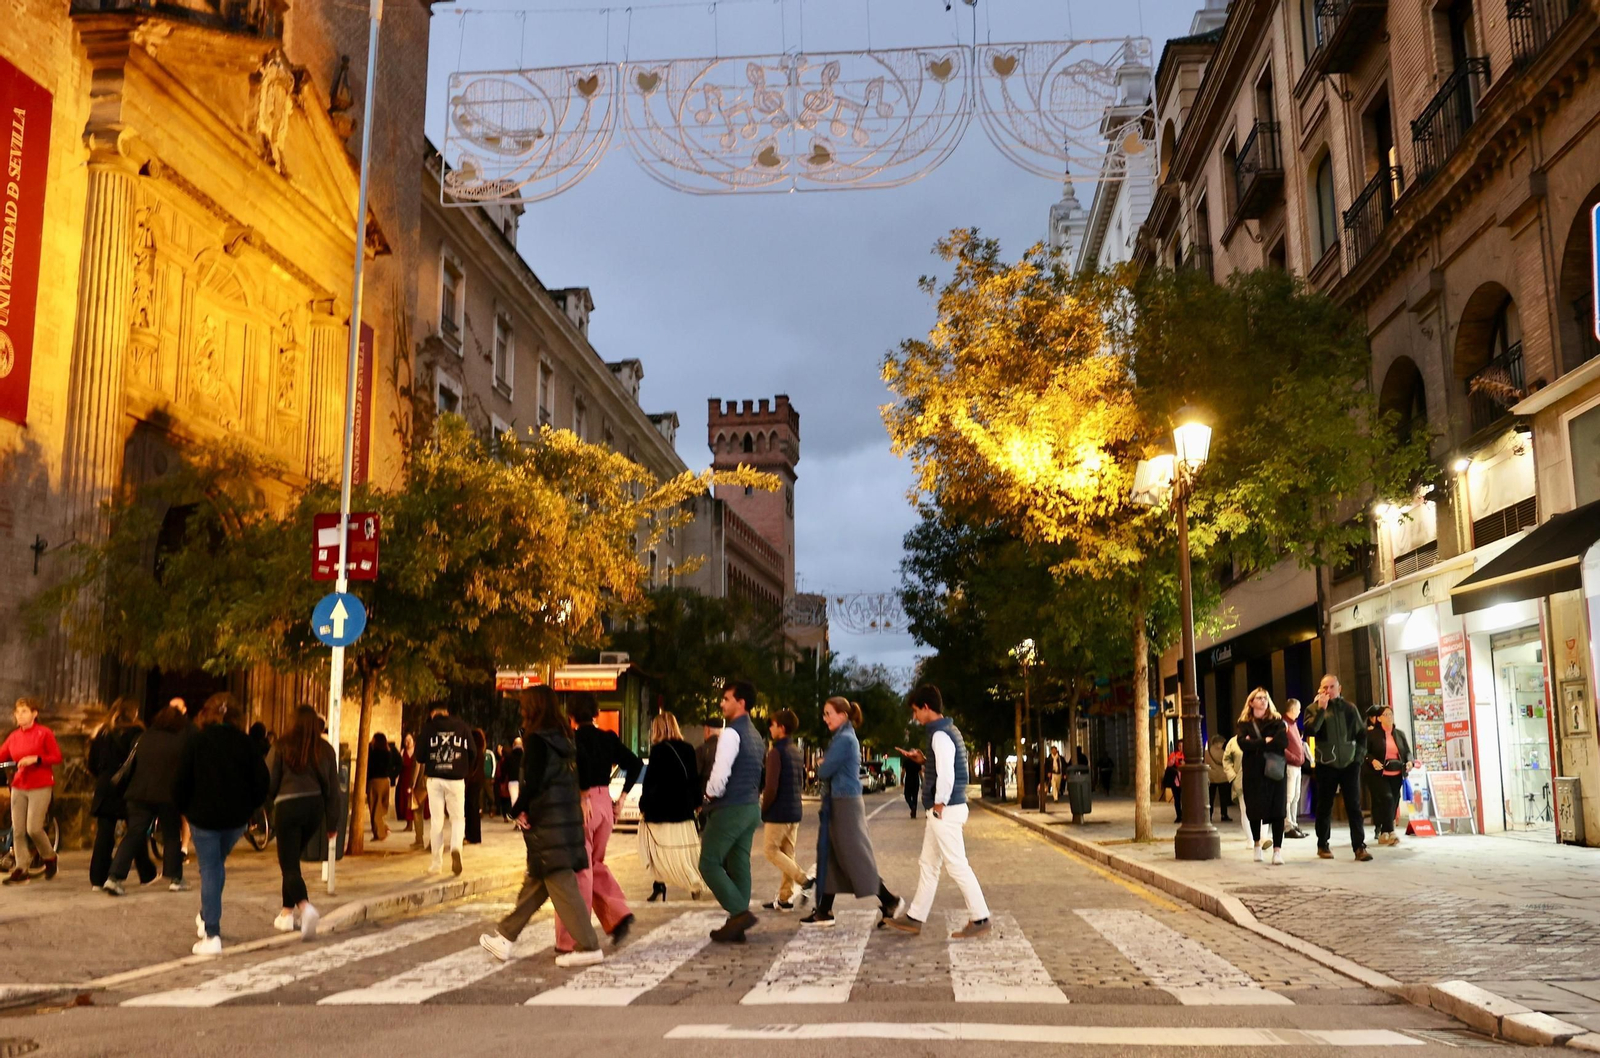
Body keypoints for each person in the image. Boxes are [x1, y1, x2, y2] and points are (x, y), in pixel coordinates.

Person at [479, 687, 603, 968]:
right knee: (536, 881)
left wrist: (515, 809)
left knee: (561, 882)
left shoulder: (536, 740)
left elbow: (533, 781)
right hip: (564, 819)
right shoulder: (566, 738)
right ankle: (506, 937)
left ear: (532, 708)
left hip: (548, 822)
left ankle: (589, 945)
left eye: (523, 705)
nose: (520, 710)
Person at [885, 685, 990, 940]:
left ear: (926, 707)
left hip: (945, 809)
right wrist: (922, 760)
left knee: (956, 865)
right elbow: (942, 764)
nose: (915, 717)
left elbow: (947, 772)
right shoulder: (945, 732)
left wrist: (940, 802)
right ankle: (915, 917)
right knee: (929, 864)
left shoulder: (940, 735)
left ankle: (980, 917)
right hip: (942, 809)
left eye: (916, 711)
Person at [176, 693, 271, 954]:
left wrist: (185, 807)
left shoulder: (197, 742)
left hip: (203, 817)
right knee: (216, 866)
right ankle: (207, 914)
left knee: (209, 870)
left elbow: (181, 779)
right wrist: (249, 808)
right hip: (235, 819)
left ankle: (212, 933)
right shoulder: (247, 744)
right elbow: (262, 782)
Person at [802, 698, 902, 928]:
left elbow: (825, 770)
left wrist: (820, 763)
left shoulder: (845, 740)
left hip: (845, 802)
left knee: (854, 857)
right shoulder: (841, 738)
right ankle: (824, 910)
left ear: (843, 716)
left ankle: (890, 901)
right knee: (833, 858)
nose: (825, 718)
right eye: (824, 714)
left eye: (829, 714)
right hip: (839, 801)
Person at [564, 694, 640, 952]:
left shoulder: (573, 740)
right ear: (595, 713)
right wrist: (621, 798)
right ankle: (618, 914)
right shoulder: (608, 738)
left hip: (582, 804)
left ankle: (574, 937)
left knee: (579, 872)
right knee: (594, 864)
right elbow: (635, 763)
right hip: (605, 803)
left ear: (571, 716)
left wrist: (583, 794)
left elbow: (580, 766)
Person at [699, 680, 765, 944]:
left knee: (709, 863)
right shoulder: (756, 735)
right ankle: (735, 925)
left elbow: (721, 771)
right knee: (739, 863)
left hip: (730, 807)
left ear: (742, 703)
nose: (722, 703)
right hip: (750, 806)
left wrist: (709, 794)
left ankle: (739, 913)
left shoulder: (731, 734)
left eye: (726, 699)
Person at [266, 705, 338, 939]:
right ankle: (286, 915)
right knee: (292, 860)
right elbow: (333, 790)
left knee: (288, 864)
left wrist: (264, 808)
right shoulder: (325, 749)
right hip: (314, 808)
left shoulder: (281, 746)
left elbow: (270, 781)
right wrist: (332, 823)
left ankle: (305, 908)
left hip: (288, 806)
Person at [104, 702, 189, 894]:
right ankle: (175, 877)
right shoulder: (180, 741)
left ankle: (114, 876)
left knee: (134, 833)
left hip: (138, 793)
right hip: (167, 795)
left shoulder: (143, 738)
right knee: (171, 835)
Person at [88, 697, 157, 891]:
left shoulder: (102, 733)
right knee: (136, 830)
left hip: (105, 784)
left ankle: (97, 878)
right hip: (128, 786)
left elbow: (92, 762)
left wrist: (103, 776)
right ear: (133, 713)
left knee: (104, 834)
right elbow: (141, 761)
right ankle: (146, 872)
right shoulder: (137, 732)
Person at [1302, 674, 1371, 862]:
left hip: (1350, 764)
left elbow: (1361, 734)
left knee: (1354, 806)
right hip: (1326, 764)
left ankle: (1359, 847)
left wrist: (1358, 759)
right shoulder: (1312, 709)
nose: (1328, 691)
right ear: (1319, 690)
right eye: (1324, 687)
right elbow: (1310, 732)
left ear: (1339, 689)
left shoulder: (1350, 709)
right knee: (1324, 806)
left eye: (1332, 687)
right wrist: (1321, 711)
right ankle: (1322, 844)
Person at [638, 712, 704, 902]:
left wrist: (644, 805)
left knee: (655, 848)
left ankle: (659, 884)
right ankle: (693, 882)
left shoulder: (659, 750)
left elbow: (651, 783)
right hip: (683, 808)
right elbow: (694, 779)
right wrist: (697, 802)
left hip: (661, 809)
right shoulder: (688, 748)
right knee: (682, 848)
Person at [1, 696, 63, 884]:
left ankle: (49, 857)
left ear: (34, 714)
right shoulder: (14, 736)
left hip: (40, 784)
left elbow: (56, 757)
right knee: (18, 830)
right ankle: (22, 868)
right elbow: (2, 753)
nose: (20, 715)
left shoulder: (44, 733)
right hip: (19, 785)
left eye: (24, 711)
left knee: (33, 828)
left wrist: (36, 759)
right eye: (17, 712)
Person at [759, 709, 810, 912]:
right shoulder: (796, 752)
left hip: (778, 811)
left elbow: (771, 786)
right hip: (794, 810)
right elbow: (802, 781)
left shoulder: (776, 752)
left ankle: (803, 879)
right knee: (788, 853)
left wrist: (765, 807)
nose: (770, 728)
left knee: (770, 851)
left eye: (772, 724)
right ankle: (785, 898)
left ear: (781, 727)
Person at [419, 702, 473, 875]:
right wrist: (465, 768)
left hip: (435, 778)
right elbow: (473, 750)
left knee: (437, 821)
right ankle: (456, 847)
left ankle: (436, 864)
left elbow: (419, 756)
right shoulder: (462, 726)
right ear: (447, 712)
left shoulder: (429, 728)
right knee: (458, 818)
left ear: (433, 713)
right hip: (456, 778)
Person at [1236, 688, 1288, 866]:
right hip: (1254, 773)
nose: (1263, 701)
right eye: (1259, 698)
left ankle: (1277, 851)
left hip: (1274, 772)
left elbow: (1282, 742)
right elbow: (1242, 744)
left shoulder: (1277, 721)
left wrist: (1256, 744)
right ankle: (1257, 845)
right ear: (1251, 702)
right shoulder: (1244, 724)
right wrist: (1265, 741)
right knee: (1255, 809)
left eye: (1265, 698)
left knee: (1278, 810)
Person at [1367, 705, 1413, 847]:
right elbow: (1364, 752)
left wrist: (1410, 761)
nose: (1389, 717)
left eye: (1390, 714)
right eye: (1385, 715)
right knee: (1386, 798)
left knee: (1394, 801)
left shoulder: (1399, 734)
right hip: (1379, 774)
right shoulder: (1372, 734)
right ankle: (1391, 831)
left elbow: (1407, 751)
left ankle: (1384, 832)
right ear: (1379, 718)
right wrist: (1373, 760)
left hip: (1397, 772)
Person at [1282, 699, 1309, 839]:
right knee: (1289, 797)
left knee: (1296, 797)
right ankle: (1287, 826)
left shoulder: (1293, 724)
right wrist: (1292, 756)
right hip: (1290, 765)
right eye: (1298, 709)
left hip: (1297, 766)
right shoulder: (1284, 724)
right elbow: (1281, 745)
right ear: (1292, 709)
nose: (1299, 711)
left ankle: (1294, 824)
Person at [1223, 733, 1256, 847]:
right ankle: (1250, 839)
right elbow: (1226, 760)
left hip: (1259, 779)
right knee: (1245, 810)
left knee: (1261, 809)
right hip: (1241, 781)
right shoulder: (1233, 742)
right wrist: (1233, 776)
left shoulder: (1260, 737)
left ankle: (1262, 837)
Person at [367, 733, 395, 842]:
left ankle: (380, 833)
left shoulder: (373, 752)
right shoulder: (388, 752)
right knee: (382, 808)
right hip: (385, 781)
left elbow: (369, 766)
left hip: (375, 781)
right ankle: (383, 829)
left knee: (375, 808)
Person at [464, 728, 487, 846]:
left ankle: (471, 836)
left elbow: (470, 770)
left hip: (472, 783)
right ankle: (475, 836)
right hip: (477, 783)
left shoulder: (474, 753)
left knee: (470, 809)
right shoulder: (481, 753)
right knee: (473, 809)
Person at [1204, 735, 1233, 822]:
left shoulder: (1207, 751)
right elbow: (1226, 761)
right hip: (1221, 777)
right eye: (1222, 743)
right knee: (1223, 797)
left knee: (1211, 797)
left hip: (1211, 777)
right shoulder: (1221, 752)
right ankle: (1224, 815)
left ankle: (1209, 815)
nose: (1223, 745)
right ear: (1217, 743)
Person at [695, 721, 721, 799]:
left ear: (707, 730)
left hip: (706, 797)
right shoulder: (729, 749)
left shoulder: (702, 750)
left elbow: (695, 775)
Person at [397, 732, 417, 833]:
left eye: (409, 740)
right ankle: (408, 823)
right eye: (406, 740)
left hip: (414, 779)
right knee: (405, 802)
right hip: (404, 779)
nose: (408, 742)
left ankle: (413, 823)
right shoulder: (402, 752)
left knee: (412, 802)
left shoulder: (417, 752)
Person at [503, 737, 524, 821]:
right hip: (523, 780)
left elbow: (504, 769)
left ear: (513, 745)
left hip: (512, 781)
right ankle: (524, 820)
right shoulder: (525, 755)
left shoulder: (509, 756)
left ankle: (518, 822)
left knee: (514, 801)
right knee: (523, 801)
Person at [898, 746, 922, 818]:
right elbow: (920, 773)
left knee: (907, 795)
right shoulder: (918, 762)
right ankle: (914, 813)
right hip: (916, 780)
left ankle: (912, 806)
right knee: (915, 796)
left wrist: (901, 780)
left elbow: (903, 772)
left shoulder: (906, 761)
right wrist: (923, 781)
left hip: (908, 780)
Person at [1162, 748, 1184, 821]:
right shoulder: (1173, 755)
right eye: (1180, 745)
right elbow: (1169, 765)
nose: (1181, 747)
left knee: (1184, 799)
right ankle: (1179, 815)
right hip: (1175, 781)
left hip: (1184, 780)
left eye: (1182, 745)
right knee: (1177, 798)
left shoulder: (1186, 755)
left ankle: (1183, 814)